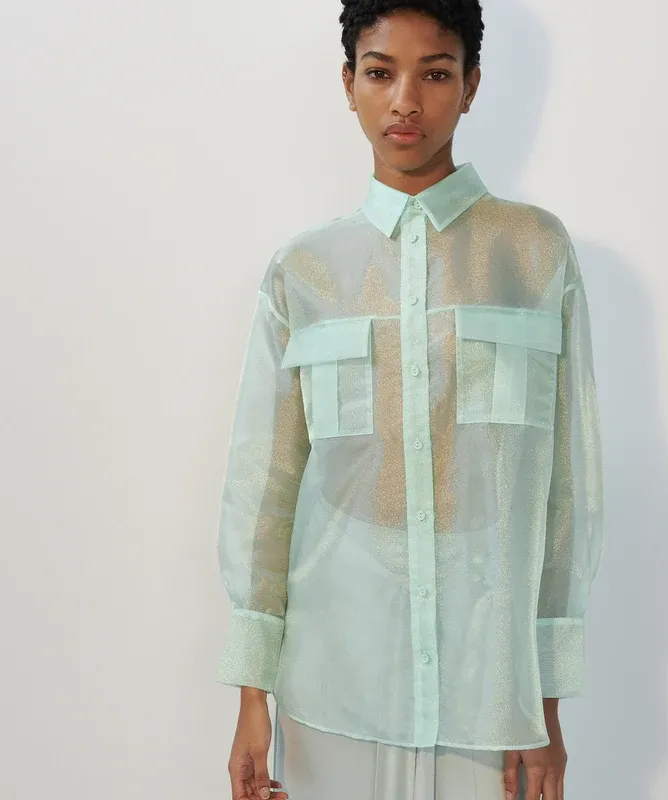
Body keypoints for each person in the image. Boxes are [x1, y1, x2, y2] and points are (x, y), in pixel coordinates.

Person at [215, 2, 605, 799]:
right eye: (380, 72)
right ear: (348, 84)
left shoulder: (535, 254)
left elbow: (567, 485)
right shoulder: (304, 271)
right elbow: (266, 490)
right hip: (333, 685)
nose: (405, 101)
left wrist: (542, 706)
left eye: (434, 73)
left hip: (490, 693)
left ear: (471, 86)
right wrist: (253, 697)